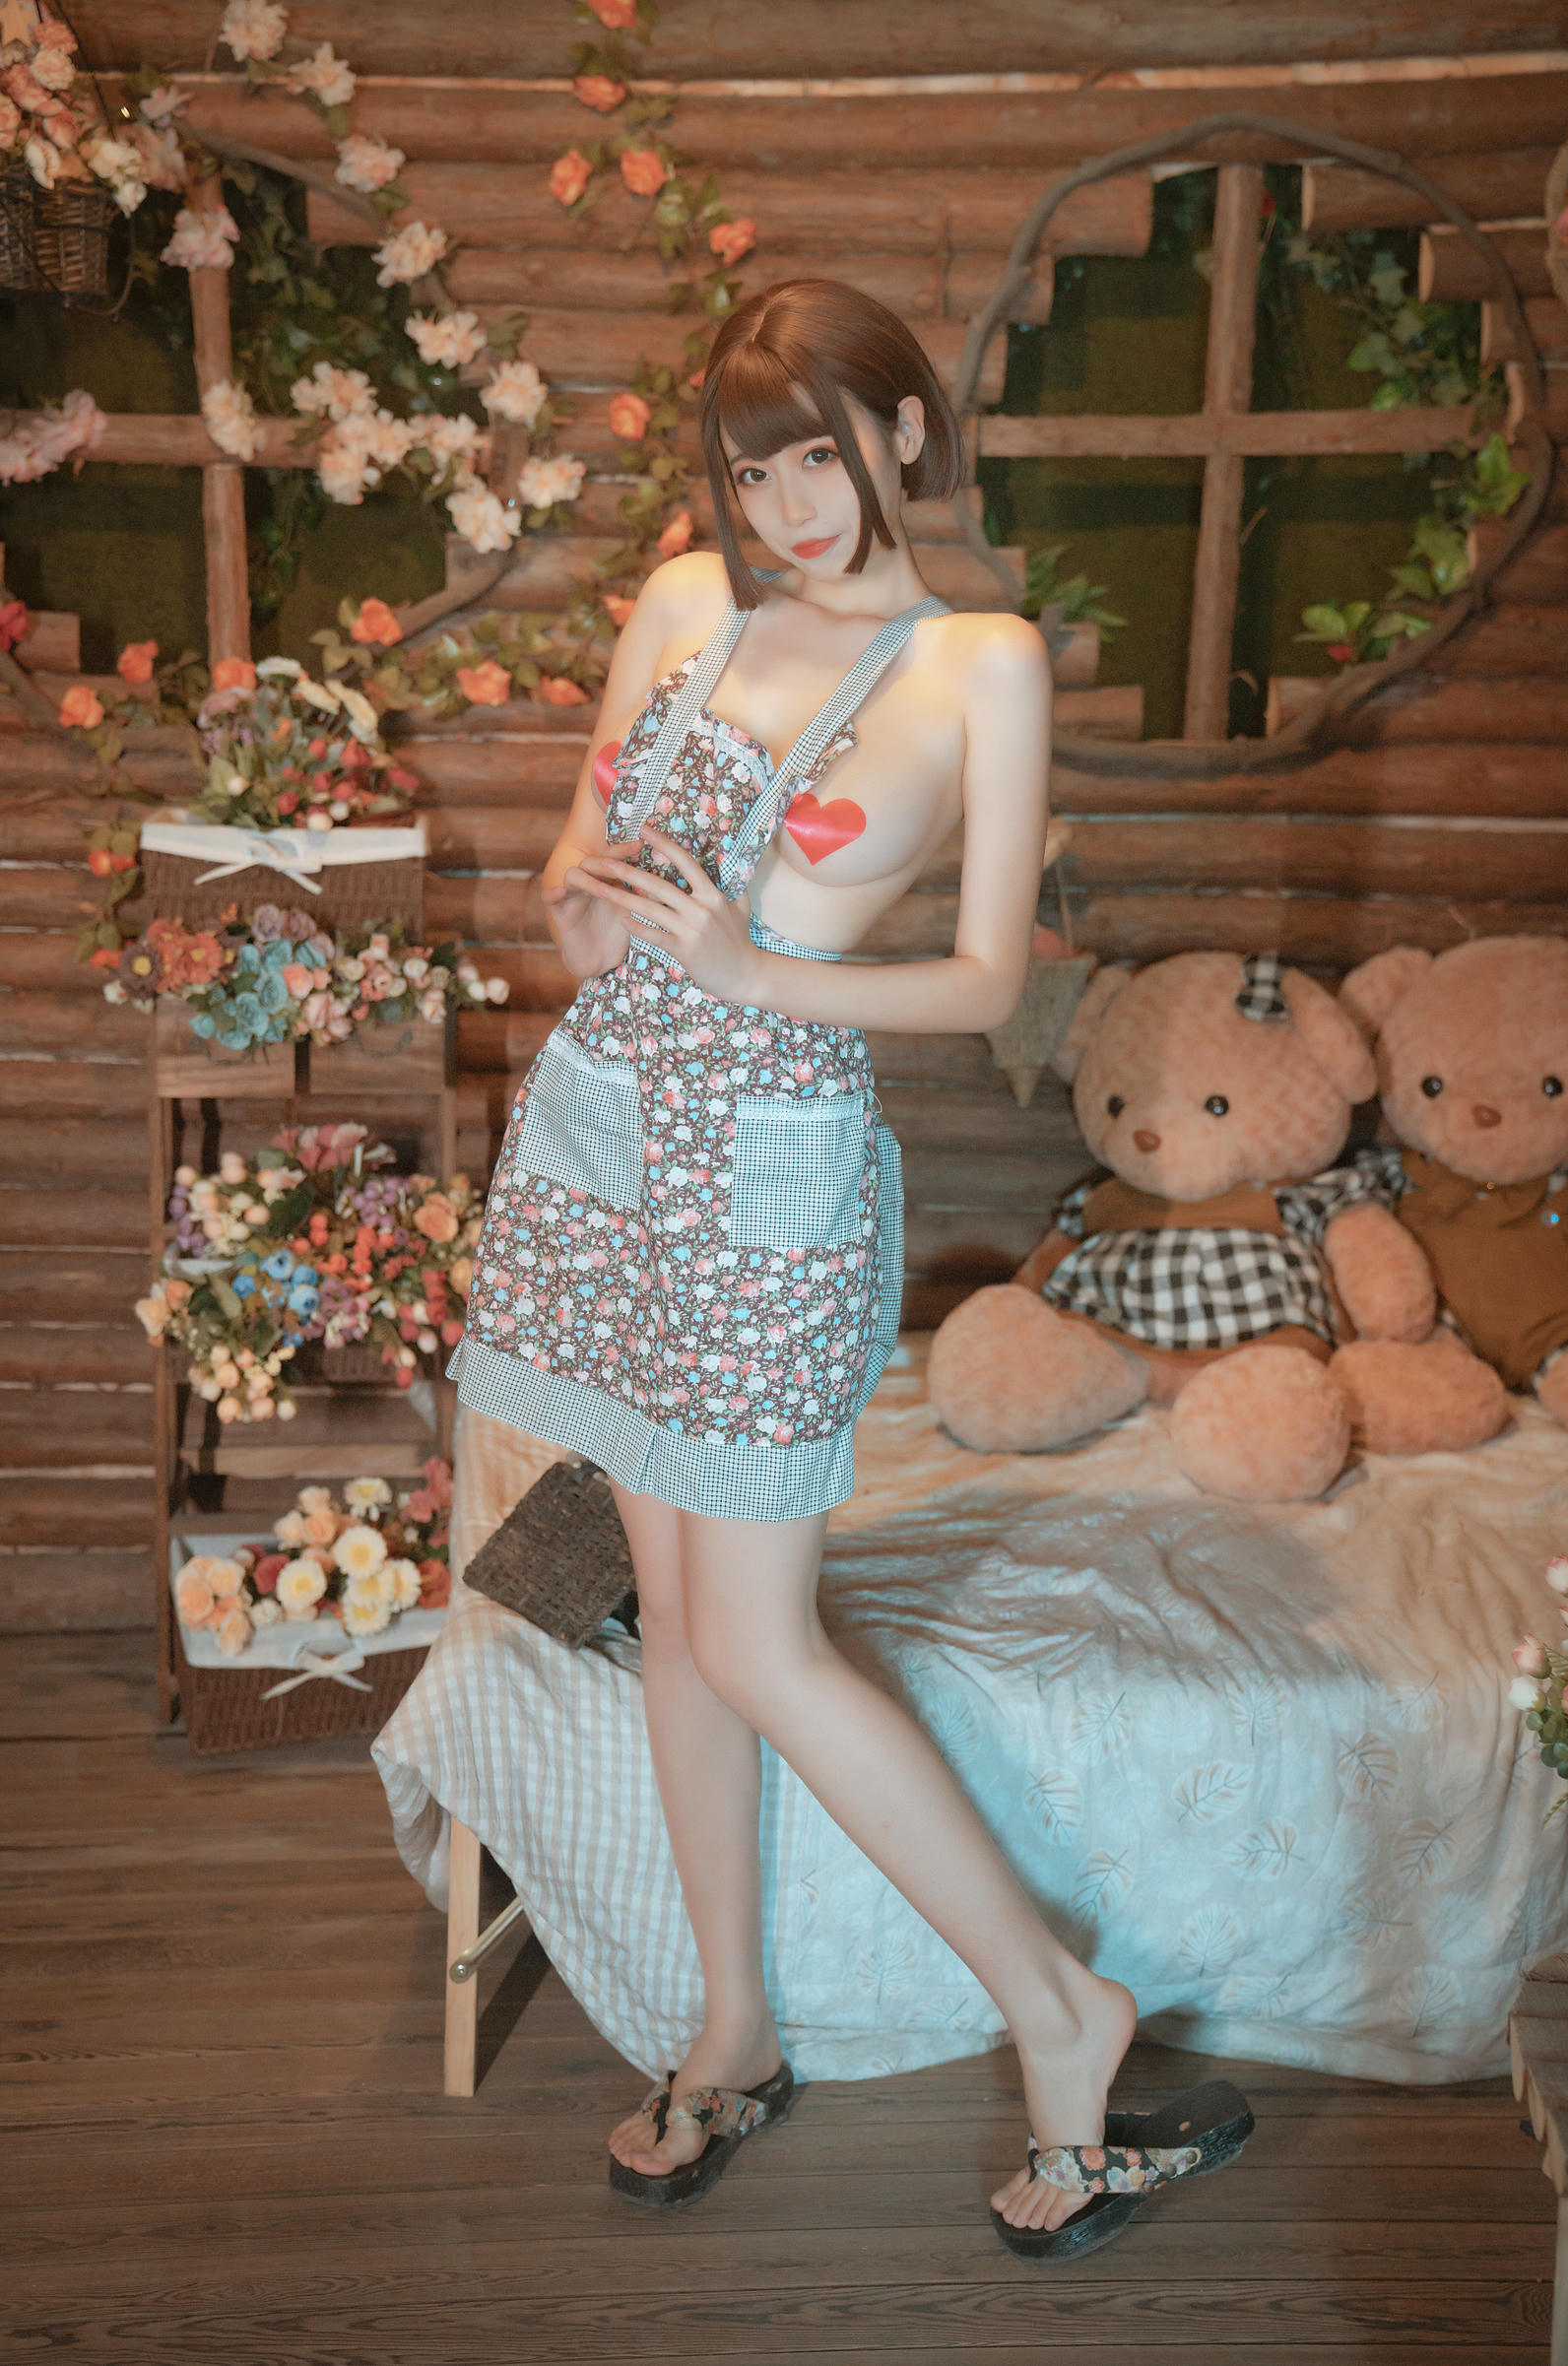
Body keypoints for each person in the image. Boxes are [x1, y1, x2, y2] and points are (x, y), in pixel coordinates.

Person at [446, 278, 1251, 2258]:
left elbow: (982, 978)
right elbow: (567, 886)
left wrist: (747, 962)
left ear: (899, 429)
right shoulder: (679, 606)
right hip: (609, 1144)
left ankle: (1060, 2009)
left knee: (757, 1639)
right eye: (752, 470)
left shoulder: (976, 661)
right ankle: (730, 2025)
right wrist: (590, 917)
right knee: (667, 1605)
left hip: (769, 1172)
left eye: (817, 452)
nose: (787, 504)